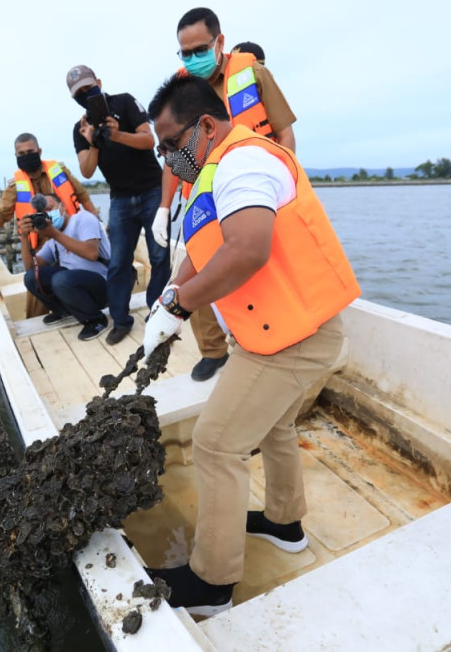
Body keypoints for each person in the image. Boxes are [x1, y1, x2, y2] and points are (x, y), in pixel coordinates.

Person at [142, 75, 361, 615]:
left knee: (217, 443)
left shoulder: (243, 161)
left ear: (207, 126)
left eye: (171, 144)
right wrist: (170, 292)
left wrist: (179, 305)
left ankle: (211, 583)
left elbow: (246, 250)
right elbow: (202, 248)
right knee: (277, 425)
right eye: (160, 149)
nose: (167, 159)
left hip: (294, 336)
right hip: (279, 327)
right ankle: (285, 524)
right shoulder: (211, 174)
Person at [152, 7, 299, 383]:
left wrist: (284, 187)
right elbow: (172, 154)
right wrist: (164, 207)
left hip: (252, 190)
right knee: (195, 260)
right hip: (201, 192)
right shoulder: (182, 90)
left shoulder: (254, 74)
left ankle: (261, 342)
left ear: (219, 41)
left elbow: (283, 133)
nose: (192, 59)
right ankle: (213, 351)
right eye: (184, 53)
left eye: (200, 49)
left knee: (252, 260)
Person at [67, 65, 170, 345]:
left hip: (152, 190)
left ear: (99, 82)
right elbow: (87, 171)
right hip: (120, 198)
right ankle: (121, 320)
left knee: (159, 255)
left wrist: (115, 134)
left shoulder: (124, 101)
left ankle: (158, 314)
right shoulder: (81, 129)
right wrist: (95, 142)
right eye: (79, 93)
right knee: (118, 262)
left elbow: (149, 140)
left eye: (89, 88)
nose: (86, 94)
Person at [0, 133, 98, 250]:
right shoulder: (15, 186)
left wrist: (96, 222)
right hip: (40, 247)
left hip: (71, 237)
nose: (26, 156)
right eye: (21, 153)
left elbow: (82, 195)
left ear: (39, 151)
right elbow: (0, 215)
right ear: (16, 155)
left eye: (30, 152)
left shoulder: (59, 171)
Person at [20, 193, 112, 340]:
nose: (48, 215)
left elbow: (91, 253)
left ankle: (96, 320)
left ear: (62, 207)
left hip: (105, 285)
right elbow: (31, 268)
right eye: (43, 213)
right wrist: (24, 237)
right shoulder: (52, 241)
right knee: (32, 277)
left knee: (60, 279)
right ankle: (64, 311)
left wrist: (54, 233)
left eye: (50, 209)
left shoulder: (83, 219)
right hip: (75, 288)